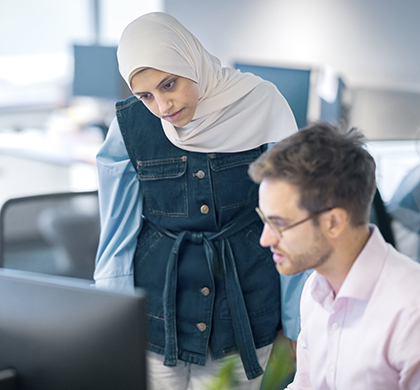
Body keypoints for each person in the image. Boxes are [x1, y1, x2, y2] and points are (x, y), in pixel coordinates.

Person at [93, 12, 306, 390]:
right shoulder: (129, 125)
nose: (162, 106)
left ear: (189, 59)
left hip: (245, 312)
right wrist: (113, 318)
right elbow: (117, 232)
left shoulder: (260, 104)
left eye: (169, 84)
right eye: (145, 95)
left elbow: (292, 225)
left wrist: (297, 324)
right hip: (158, 313)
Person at [248, 122, 420, 389]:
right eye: (264, 221)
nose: (265, 239)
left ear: (334, 222)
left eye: (279, 223)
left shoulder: (411, 312)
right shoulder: (315, 289)